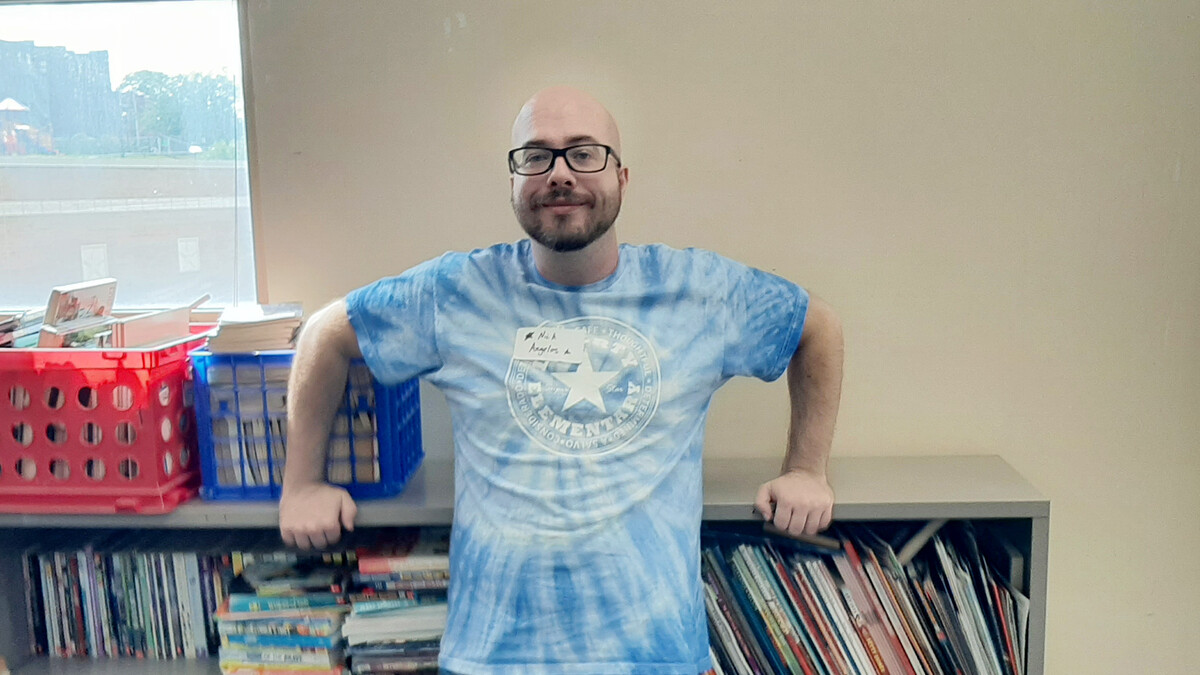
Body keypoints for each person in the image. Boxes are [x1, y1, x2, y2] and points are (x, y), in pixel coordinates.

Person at [279, 86, 844, 675]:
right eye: (536, 156)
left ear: (622, 178)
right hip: (492, 658)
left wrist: (806, 469)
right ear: (514, 180)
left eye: (583, 153)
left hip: (656, 656)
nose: (559, 173)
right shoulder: (456, 292)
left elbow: (817, 327)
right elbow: (326, 332)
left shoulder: (700, 291)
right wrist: (301, 485)